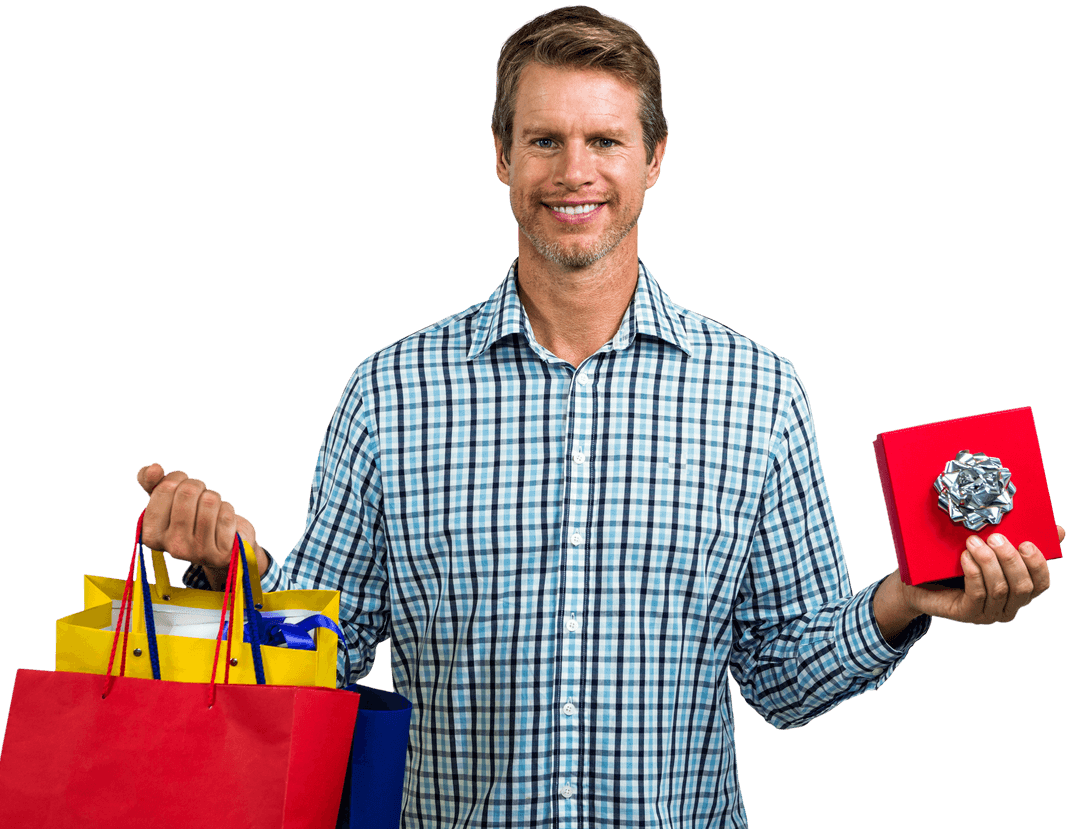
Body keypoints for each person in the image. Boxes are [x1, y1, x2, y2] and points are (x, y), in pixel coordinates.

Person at [135, 7, 1060, 828]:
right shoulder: (390, 393)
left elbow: (786, 676)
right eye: (544, 140)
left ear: (655, 157)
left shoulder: (760, 393)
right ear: (501, 155)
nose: (574, 172)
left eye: (606, 140)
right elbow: (319, 664)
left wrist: (904, 599)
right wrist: (230, 574)